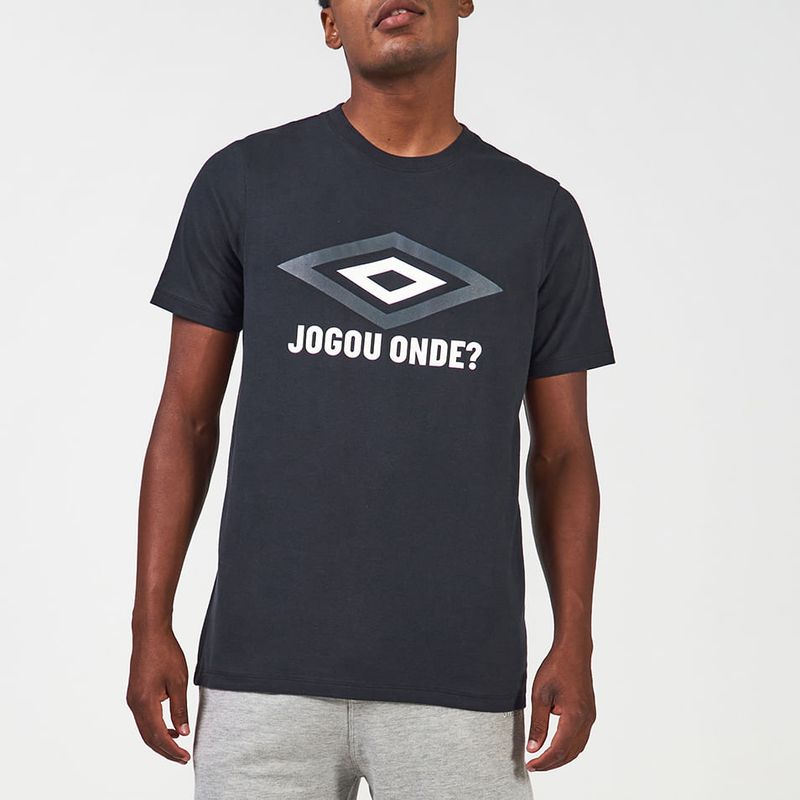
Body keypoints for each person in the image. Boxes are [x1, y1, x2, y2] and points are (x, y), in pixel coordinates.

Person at [126, 1, 616, 797]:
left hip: (460, 680)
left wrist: (576, 640)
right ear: (330, 25)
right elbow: (184, 418)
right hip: (261, 678)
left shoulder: (538, 215)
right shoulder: (245, 182)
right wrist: (150, 621)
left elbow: (562, 453)